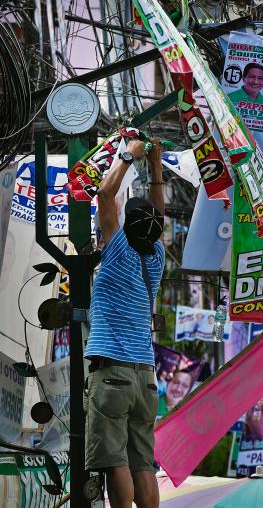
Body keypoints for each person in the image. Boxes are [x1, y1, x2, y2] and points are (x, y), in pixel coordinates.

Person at [86, 137, 165, 508]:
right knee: (142, 462)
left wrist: (127, 156)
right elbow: (158, 218)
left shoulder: (117, 251)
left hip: (113, 373)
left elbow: (104, 195)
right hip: (145, 378)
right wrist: (157, 167)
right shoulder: (156, 260)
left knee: (114, 459)